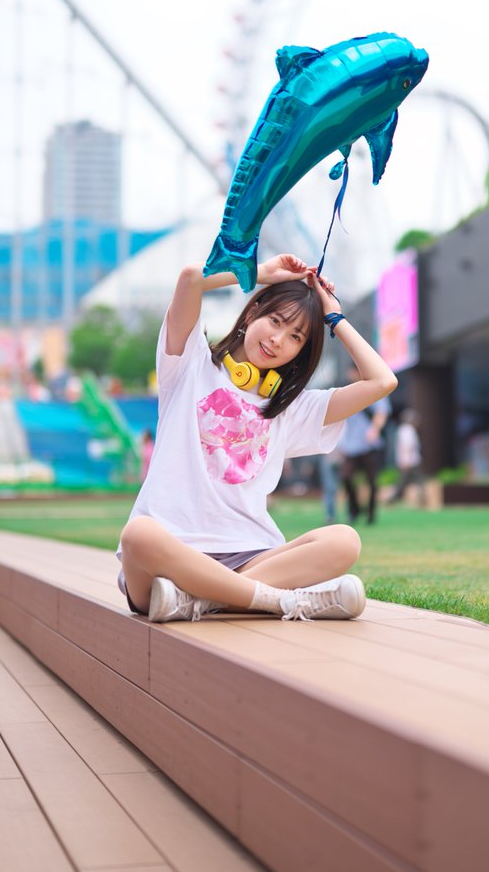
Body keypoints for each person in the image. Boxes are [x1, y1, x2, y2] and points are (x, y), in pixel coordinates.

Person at [117, 253, 397, 623]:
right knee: (139, 535)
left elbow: (382, 381)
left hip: (248, 555)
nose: (278, 340)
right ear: (252, 314)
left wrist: (334, 317)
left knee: (344, 540)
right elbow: (189, 278)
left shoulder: (291, 409)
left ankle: (202, 601)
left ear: (301, 352)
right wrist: (259, 273)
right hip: (169, 553)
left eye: (295, 337)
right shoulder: (188, 365)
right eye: (275, 321)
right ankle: (277, 601)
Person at [336, 367, 391, 524]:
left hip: (369, 444)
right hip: (351, 445)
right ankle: (354, 510)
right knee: (346, 477)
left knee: (372, 480)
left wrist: (374, 430)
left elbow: (382, 412)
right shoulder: (347, 391)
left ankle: (371, 514)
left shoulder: (374, 389)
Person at [389, 408, 425, 506]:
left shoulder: (403, 429)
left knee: (405, 481)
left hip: (408, 461)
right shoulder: (408, 430)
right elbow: (407, 446)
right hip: (411, 461)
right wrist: (406, 460)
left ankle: (393, 498)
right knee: (411, 481)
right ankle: (393, 498)